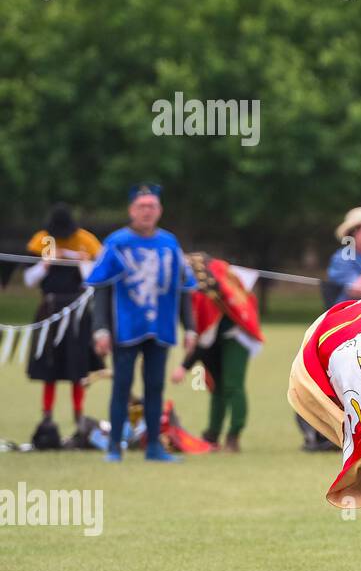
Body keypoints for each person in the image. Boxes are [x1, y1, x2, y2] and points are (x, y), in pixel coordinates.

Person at [87, 184, 197, 462]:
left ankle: (154, 447)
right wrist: (101, 328)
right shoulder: (117, 243)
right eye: (141, 206)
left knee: (155, 386)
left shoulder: (169, 243)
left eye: (152, 206)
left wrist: (191, 327)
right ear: (131, 210)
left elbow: (182, 288)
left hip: (160, 327)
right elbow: (101, 288)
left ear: (159, 210)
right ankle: (114, 446)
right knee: (122, 385)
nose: (147, 211)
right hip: (125, 328)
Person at [23, 203, 102, 447]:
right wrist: (46, 263)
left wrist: (82, 263)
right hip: (50, 310)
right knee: (50, 367)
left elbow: (94, 281)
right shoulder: (41, 241)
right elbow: (28, 280)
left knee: (77, 368)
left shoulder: (85, 242)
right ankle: (47, 416)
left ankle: (79, 417)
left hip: (77, 314)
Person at [170, 253, 264, 453]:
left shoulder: (207, 292)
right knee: (216, 386)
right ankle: (212, 435)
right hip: (212, 340)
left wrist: (183, 367)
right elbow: (202, 338)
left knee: (232, 385)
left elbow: (202, 339)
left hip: (236, 335)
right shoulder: (190, 292)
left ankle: (234, 435)